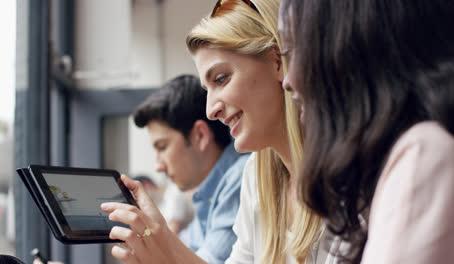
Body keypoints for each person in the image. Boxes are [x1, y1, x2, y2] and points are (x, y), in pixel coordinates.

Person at [101, 0, 333, 263]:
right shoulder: (257, 177)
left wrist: (165, 246)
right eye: (207, 88)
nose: (211, 109)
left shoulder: (347, 174)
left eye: (221, 79)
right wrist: (162, 244)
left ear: (277, 62)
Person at [279, 0, 454, 263]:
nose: (288, 81)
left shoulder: (424, 157)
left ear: (349, 50)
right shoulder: (374, 181)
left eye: (293, 51)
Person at [102, 74, 249, 263]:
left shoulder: (242, 178)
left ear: (200, 135)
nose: (158, 166)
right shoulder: (208, 194)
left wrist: (159, 235)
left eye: (162, 147)